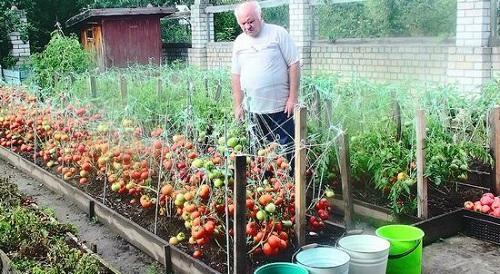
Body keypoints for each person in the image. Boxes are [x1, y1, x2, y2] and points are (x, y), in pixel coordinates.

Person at [231, 0, 300, 160]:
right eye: (243, 23)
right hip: (253, 111)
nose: (247, 26)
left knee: (286, 153)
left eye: (251, 21)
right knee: (258, 155)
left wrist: (292, 98)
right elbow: (236, 75)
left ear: (260, 16)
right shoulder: (239, 42)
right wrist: (238, 105)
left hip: (281, 110)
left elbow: (294, 65)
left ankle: (289, 182)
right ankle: (263, 183)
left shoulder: (278, 33)